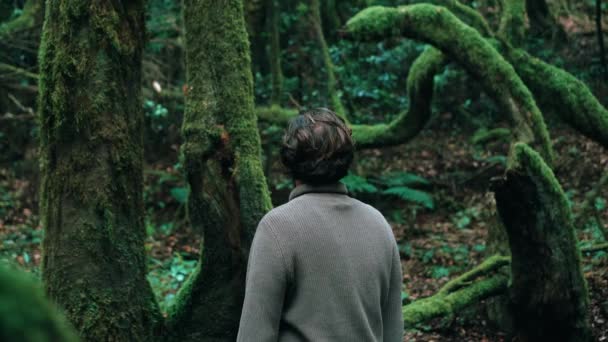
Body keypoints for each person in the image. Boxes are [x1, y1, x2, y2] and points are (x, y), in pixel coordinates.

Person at [237, 108, 404, 341]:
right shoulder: (379, 224)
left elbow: (254, 335)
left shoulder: (277, 227)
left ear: (290, 160)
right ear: (345, 159)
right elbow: (393, 331)